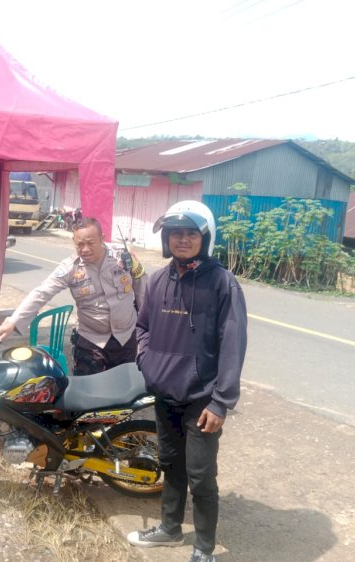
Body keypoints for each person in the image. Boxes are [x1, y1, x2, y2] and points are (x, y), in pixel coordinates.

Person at [127, 201, 248, 562]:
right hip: (165, 393)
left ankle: (204, 548)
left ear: (204, 238)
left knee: (201, 475)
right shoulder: (159, 279)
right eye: (175, 233)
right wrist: (146, 360)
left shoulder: (221, 282)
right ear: (167, 238)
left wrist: (221, 401)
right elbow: (143, 326)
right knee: (170, 463)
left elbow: (233, 342)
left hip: (202, 398)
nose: (182, 240)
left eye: (190, 233)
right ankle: (169, 529)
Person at [0, 217, 147, 376]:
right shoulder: (70, 268)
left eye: (90, 243)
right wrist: (13, 321)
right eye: (79, 244)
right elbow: (42, 292)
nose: (85, 249)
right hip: (92, 342)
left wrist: (147, 325)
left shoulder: (122, 257)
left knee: (125, 388)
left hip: (126, 337)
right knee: (88, 393)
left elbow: (141, 286)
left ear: (102, 238)